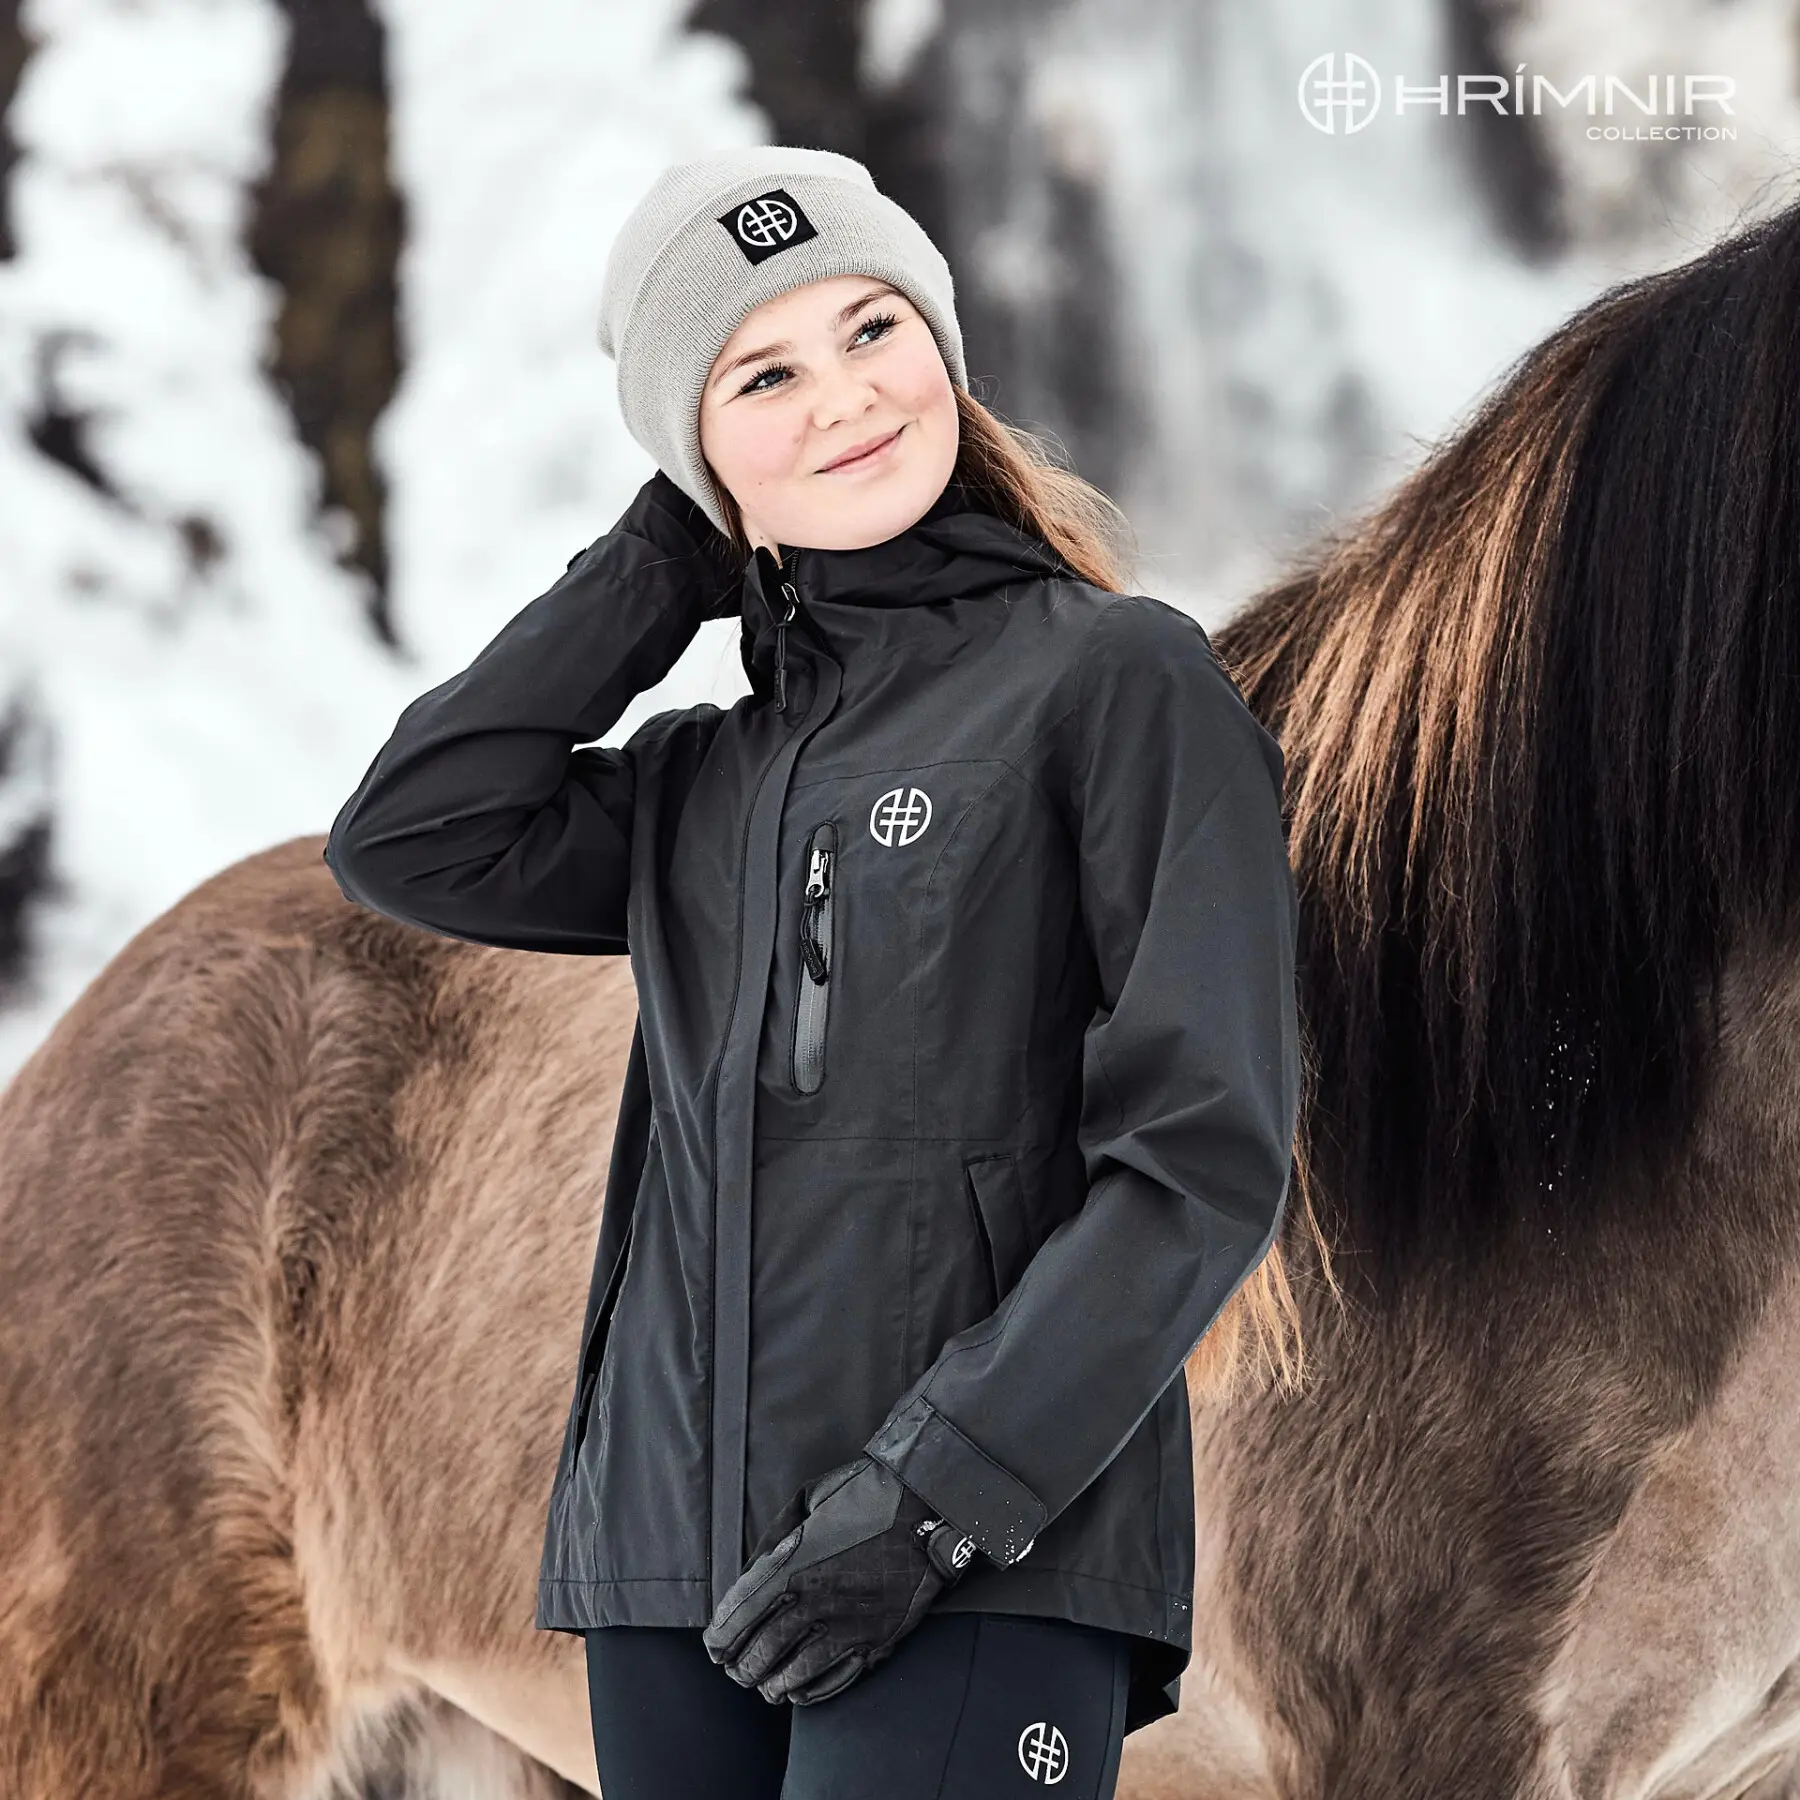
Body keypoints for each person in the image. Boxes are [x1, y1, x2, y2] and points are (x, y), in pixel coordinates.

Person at [323, 145, 1301, 1800]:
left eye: (872, 329)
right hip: (671, 1570)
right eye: (762, 372)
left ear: (942, 346)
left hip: (979, 1549)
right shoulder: (703, 785)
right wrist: (663, 565)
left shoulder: (1122, 682)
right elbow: (413, 834)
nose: (847, 397)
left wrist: (930, 1501)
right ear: (694, 455)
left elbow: (1203, 1158)